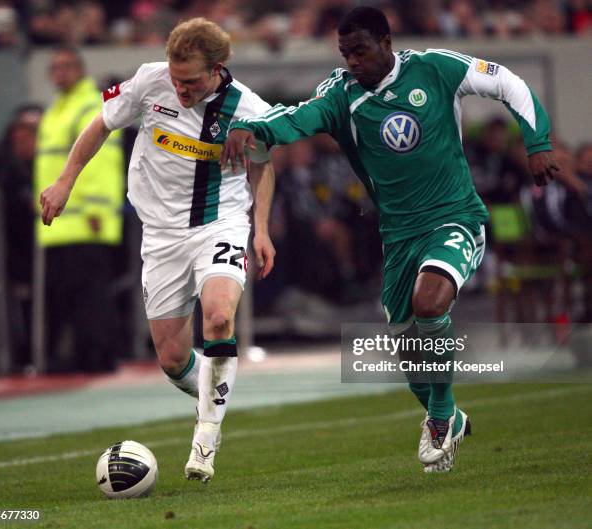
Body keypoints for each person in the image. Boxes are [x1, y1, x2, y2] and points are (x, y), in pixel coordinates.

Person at [222, 6, 559, 473]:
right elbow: (298, 119)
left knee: (430, 304)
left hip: (455, 218)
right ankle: (450, 413)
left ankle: (440, 417)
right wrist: (255, 128)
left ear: (386, 42)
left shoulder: (435, 68)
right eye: (345, 54)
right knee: (408, 353)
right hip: (398, 238)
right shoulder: (341, 96)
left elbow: (509, 84)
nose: (352, 62)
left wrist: (537, 142)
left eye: (360, 51)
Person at [39, 18, 276, 483]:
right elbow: (100, 124)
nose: (179, 88)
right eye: (175, 78)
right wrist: (66, 180)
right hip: (161, 233)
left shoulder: (248, 108)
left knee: (219, 318)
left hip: (220, 223)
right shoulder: (149, 80)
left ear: (217, 70)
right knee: (171, 358)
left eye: (190, 81)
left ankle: (206, 437)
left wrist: (261, 230)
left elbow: (263, 167)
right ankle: (216, 392)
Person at [35, 46, 125, 373]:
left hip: (86, 221)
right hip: (59, 224)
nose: (59, 73)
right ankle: (81, 357)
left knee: (92, 297)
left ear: (80, 69)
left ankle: (99, 358)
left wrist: (96, 212)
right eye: (54, 68)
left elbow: (100, 165)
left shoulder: (88, 106)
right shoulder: (56, 110)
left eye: (66, 67)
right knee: (69, 296)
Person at [0, 104, 43, 370]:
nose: (24, 140)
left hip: (33, 252)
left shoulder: (44, 165)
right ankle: (13, 359)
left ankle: (29, 357)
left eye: (31, 133)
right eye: (20, 133)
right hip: (1, 253)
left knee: (31, 304)